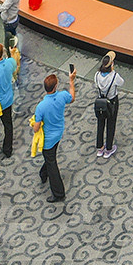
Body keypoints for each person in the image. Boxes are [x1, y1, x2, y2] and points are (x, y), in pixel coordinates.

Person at [34, 66, 77, 201]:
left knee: (52, 162)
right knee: (50, 157)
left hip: (48, 138)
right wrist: (71, 81)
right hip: (58, 132)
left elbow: (36, 128)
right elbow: (72, 98)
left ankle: (59, 193)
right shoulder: (62, 96)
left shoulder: (41, 106)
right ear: (56, 86)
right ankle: (43, 173)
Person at [92, 53, 125, 158]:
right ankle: (109, 148)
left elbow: (96, 84)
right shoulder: (114, 76)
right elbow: (122, 83)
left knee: (100, 123)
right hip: (112, 100)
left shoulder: (97, 75)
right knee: (111, 123)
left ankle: (100, 147)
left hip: (101, 101)